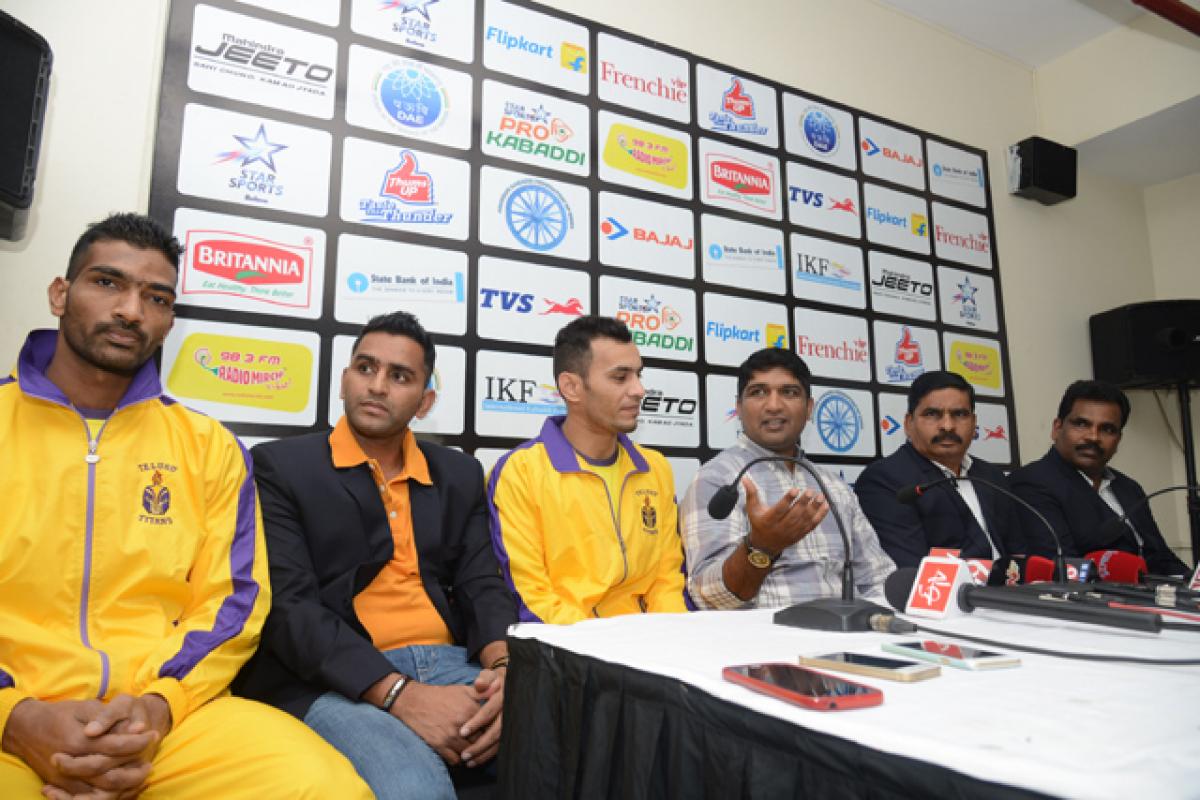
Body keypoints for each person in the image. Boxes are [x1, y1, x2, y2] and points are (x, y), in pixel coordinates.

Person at [0, 213, 368, 799]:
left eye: (156, 297)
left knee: (322, 786)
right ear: (59, 294)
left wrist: (156, 708)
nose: (130, 310)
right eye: (107, 283)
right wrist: (15, 717)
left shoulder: (207, 445)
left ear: (170, 319)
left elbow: (235, 601)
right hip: (12, 718)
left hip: (166, 716)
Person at [234, 311, 516, 799]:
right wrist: (400, 694)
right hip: (333, 677)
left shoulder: (458, 473)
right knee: (414, 789)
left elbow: (480, 584)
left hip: (452, 664)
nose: (377, 386)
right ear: (345, 379)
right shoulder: (280, 465)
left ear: (425, 401)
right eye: (365, 368)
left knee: (572, 744)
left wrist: (505, 672)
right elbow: (290, 609)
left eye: (399, 376)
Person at [486, 315, 689, 623]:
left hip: (650, 647)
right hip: (571, 652)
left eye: (638, 375)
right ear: (572, 387)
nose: (639, 390)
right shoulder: (520, 472)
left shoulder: (654, 468)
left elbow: (668, 580)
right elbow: (531, 597)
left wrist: (670, 641)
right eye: (621, 377)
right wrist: (606, 649)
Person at [681, 348, 894, 608]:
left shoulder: (834, 486)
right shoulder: (718, 479)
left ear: (809, 408)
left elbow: (878, 580)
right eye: (758, 392)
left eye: (789, 392)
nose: (773, 405)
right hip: (767, 643)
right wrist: (761, 547)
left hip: (846, 636)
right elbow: (708, 596)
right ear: (738, 407)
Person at [1009, 380, 1190, 575]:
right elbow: (1064, 569)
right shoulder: (1031, 483)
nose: (1093, 437)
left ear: (1118, 439)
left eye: (1107, 429)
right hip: (1096, 602)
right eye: (1081, 424)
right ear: (1057, 428)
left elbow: (1161, 557)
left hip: (1158, 597)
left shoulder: (1129, 488)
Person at [855, 371, 1026, 568]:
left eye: (959, 414)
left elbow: (1018, 552)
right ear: (908, 424)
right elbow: (910, 569)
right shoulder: (885, 480)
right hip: (950, 596)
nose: (947, 426)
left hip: (1010, 592)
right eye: (932, 414)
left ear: (974, 422)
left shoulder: (991, 476)